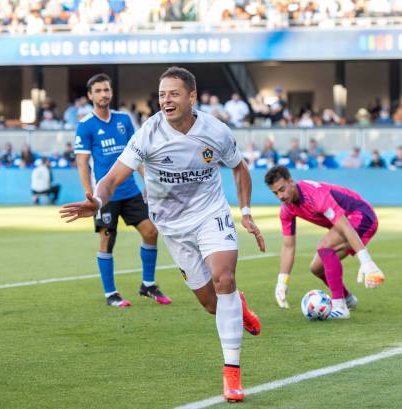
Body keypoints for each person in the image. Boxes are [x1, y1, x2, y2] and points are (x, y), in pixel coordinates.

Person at [60, 67, 265, 403]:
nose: (166, 100)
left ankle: (232, 373)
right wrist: (96, 200)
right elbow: (112, 178)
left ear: (192, 97)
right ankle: (236, 307)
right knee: (211, 304)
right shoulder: (148, 134)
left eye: (173, 94)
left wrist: (245, 211)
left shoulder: (216, 130)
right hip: (173, 227)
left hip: (211, 214)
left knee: (224, 277)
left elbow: (239, 168)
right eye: (162, 95)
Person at [73, 73, 172, 308]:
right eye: (98, 91)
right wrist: (91, 196)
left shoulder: (123, 120)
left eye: (106, 90)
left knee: (150, 232)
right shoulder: (85, 125)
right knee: (107, 240)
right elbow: (82, 163)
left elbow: (137, 154)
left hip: (130, 191)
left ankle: (148, 285)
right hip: (104, 195)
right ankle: (111, 294)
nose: (103, 94)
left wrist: (148, 181)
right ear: (90, 95)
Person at [265, 165, 384, 319]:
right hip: (346, 224)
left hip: (362, 216)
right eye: (275, 193)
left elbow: (345, 227)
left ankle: (340, 307)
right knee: (316, 268)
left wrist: (366, 261)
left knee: (324, 246)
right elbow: (288, 246)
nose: (280, 196)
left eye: (282, 189)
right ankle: (347, 299)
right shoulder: (287, 209)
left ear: (291, 181)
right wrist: (282, 282)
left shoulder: (316, 195)